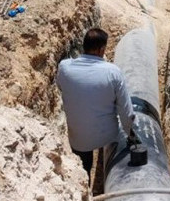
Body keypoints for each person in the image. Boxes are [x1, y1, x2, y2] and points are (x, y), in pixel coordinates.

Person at [56, 28, 135, 182]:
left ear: (83, 46)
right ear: (102, 50)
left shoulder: (64, 67)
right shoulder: (113, 72)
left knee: (84, 167)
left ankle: (86, 191)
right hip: (108, 135)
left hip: (78, 138)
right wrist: (131, 134)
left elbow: (61, 86)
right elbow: (126, 111)